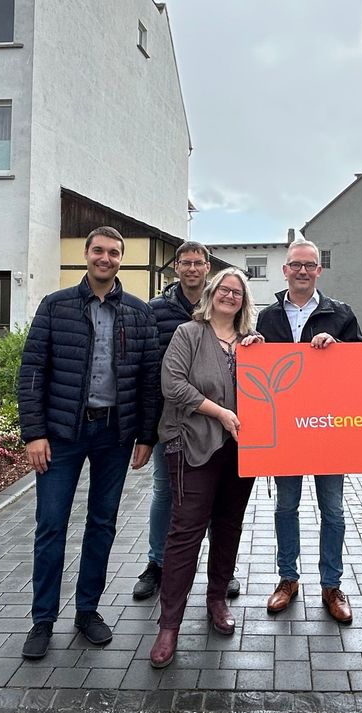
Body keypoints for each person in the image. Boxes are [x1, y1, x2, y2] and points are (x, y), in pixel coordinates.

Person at [17, 226, 160, 660]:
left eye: (114, 252)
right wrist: (34, 432)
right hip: (62, 434)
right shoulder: (55, 306)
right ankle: (42, 619)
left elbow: (149, 380)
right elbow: (33, 371)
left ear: (121, 259)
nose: (106, 258)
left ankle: (87, 611)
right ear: (86, 254)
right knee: (52, 525)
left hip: (114, 435)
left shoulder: (138, 313)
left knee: (102, 524)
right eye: (99, 250)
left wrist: (147, 436)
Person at [149, 268, 264, 668]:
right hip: (194, 445)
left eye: (238, 292)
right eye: (224, 289)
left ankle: (217, 599)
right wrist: (220, 413)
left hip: (242, 451)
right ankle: (169, 625)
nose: (230, 296)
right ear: (212, 294)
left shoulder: (251, 344)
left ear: (244, 301)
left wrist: (261, 353)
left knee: (229, 527)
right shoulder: (189, 334)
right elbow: (173, 385)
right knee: (186, 532)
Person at [256, 238, 362, 624]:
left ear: (319, 270)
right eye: (295, 265)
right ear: (285, 270)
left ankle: (331, 585)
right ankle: (288, 579)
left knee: (332, 510)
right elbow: (260, 369)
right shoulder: (267, 316)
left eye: (310, 265)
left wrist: (338, 346)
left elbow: (361, 367)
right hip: (286, 432)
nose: (302, 271)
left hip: (328, 430)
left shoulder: (341, 313)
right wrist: (252, 346)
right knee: (286, 507)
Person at [132, 241, 241, 601]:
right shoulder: (156, 311)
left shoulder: (223, 309)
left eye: (198, 263)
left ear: (207, 267)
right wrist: (146, 432)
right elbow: (151, 373)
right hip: (176, 422)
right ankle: (157, 563)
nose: (192, 268)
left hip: (219, 425)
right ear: (176, 267)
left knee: (216, 500)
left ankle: (221, 568)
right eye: (186, 263)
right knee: (166, 493)